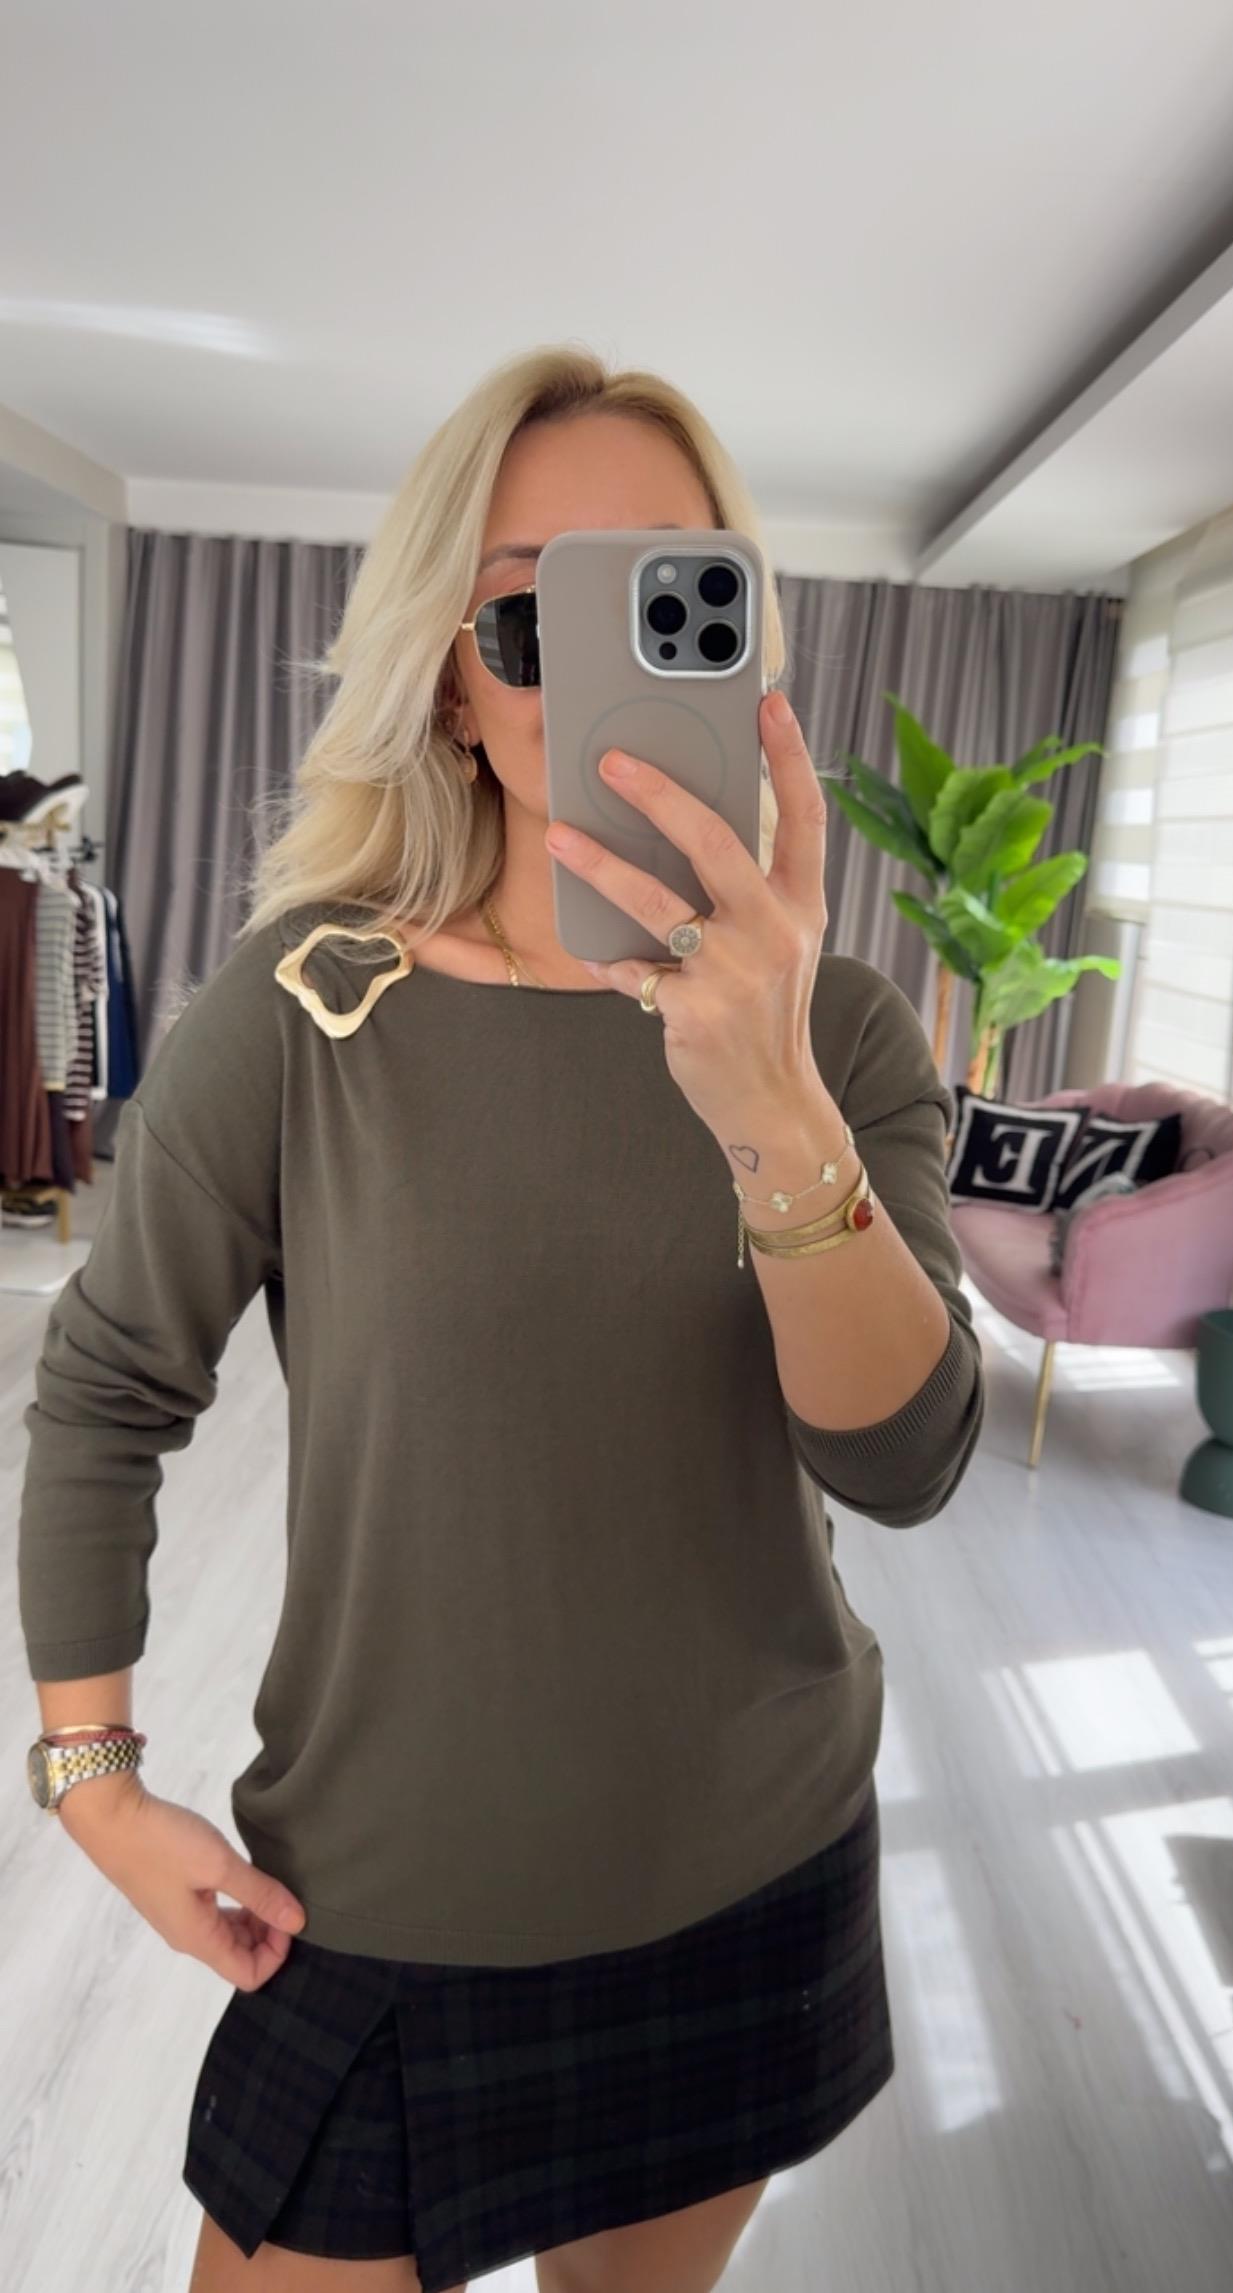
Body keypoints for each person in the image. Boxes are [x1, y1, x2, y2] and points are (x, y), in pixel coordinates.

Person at [18, 344, 985, 2293]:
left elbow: (901, 1463)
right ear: (451, 678)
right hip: (381, 1898)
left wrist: (773, 1107)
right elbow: (108, 1386)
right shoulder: (304, 1011)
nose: (596, 659)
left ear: (742, 644)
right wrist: (91, 1781)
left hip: (746, 1867)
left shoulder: (844, 1035)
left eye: (668, 594)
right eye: (533, 611)